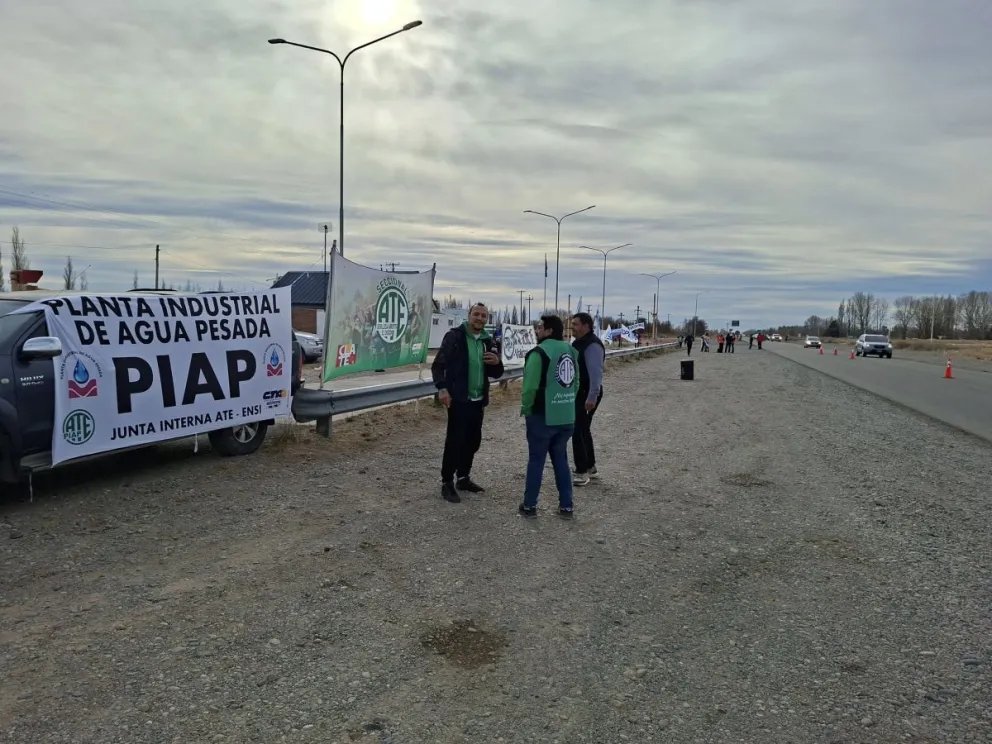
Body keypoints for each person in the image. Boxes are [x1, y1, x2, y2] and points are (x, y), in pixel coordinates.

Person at [431, 303, 505, 503]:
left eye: (484, 316)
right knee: (455, 441)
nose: (480, 318)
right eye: (476, 314)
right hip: (458, 399)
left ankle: (463, 477)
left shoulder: (487, 341)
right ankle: (447, 482)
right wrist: (442, 388)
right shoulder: (454, 337)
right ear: (469, 315)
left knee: (473, 441)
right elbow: (438, 365)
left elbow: (497, 373)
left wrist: (497, 363)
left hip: (478, 400)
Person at [519, 315, 580, 518]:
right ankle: (566, 506)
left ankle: (529, 506)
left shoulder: (539, 353)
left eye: (540, 328)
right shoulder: (571, 351)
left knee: (536, 460)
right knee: (561, 460)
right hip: (566, 416)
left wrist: (526, 408)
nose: (537, 331)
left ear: (549, 331)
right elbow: (575, 383)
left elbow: (529, 387)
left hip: (542, 416)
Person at [570, 312, 605, 487]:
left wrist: (592, 397)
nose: (572, 327)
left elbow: (595, 374)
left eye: (575, 324)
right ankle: (590, 467)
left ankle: (582, 471)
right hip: (579, 393)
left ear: (586, 326)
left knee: (578, 430)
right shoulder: (578, 343)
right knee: (583, 429)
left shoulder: (592, 346)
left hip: (587, 394)